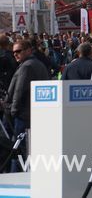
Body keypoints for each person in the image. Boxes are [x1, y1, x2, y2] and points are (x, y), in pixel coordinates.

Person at [7, 39, 50, 171]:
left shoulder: (27, 66)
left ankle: (16, 177)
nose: (15, 54)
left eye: (18, 51)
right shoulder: (36, 64)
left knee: (18, 150)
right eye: (13, 52)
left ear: (28, 50)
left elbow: (19, 91)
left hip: (24, 115)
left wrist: (13, 111)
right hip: (34, 114)